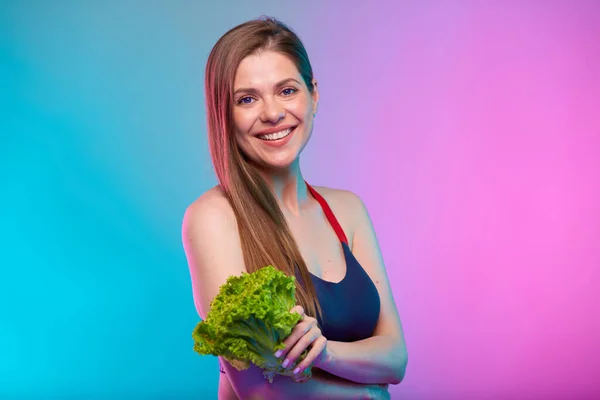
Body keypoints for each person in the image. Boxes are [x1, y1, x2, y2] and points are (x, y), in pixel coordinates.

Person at [182, 16, 408, 400]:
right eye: (247, 99)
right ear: (224, 114)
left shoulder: (347, 210)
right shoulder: (213, 218)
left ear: (313, 94)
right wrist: (371, 394)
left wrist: (326, 353)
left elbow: (394, 358)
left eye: (286, 91)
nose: (272, 113)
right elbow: (258, 390)